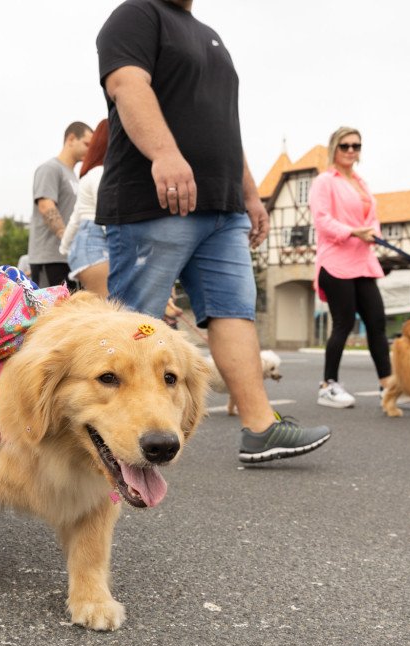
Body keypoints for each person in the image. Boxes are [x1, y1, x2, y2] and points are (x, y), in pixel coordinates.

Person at [96, 0, 331, 463]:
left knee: (234, 313)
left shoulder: (210, 36)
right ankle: (118, 442)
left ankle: (261, 428)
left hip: (223, 206)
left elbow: (225, 127)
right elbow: (127, 84)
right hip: (156, 200)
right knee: (134, 324)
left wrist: (250, 194)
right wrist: (164, 153)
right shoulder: (138, 14)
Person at [308, 126, 392, 408]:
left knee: (377, 323)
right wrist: (354, 231)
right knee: (343, 324)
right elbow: (322, 220)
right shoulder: (324, 181)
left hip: (364, 261)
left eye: (356, 145)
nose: (351, 150)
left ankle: (388, 386)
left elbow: (373, 218)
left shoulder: (361, 182)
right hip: (336, 261)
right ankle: (328, 386)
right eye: (345, 145)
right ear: (334, 148)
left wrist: (373, 233)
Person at [28, 121, 92, 288]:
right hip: (49, 259)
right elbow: (46, 206)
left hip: (69, 259)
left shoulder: (74, 177)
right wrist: (67, 239)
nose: (90, 150)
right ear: (71, 139)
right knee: (51, 305)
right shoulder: (50, 168)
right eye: (86, 144)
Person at [59, 118, 109, 298]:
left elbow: (75, 217)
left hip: (86, 245)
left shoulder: (89, 175)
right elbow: (105, 211)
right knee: (108, 304)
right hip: (96, 242)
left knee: (106, 305)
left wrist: (65, 248)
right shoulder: (100, 173)